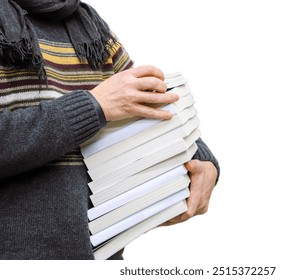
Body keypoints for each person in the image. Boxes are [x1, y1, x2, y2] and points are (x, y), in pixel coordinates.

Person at [0, 0, 220, 260]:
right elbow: (108, 103)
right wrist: (94, 106)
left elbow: (144, 103)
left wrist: (201, 161)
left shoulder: (90, 27)